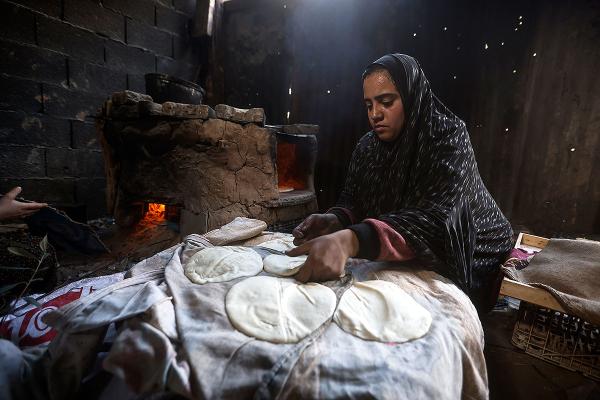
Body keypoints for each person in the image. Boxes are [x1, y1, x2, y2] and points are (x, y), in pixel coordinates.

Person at [287, 53, 514, 312]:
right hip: (409, 240)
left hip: (477, 248)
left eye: (386, 101)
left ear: (411, 96)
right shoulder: (367, 147)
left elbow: (438, 221)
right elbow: (353, 200)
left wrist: (349, 240)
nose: (375, 114)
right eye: (368, 105)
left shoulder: (447, 138)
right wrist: (335, 220)